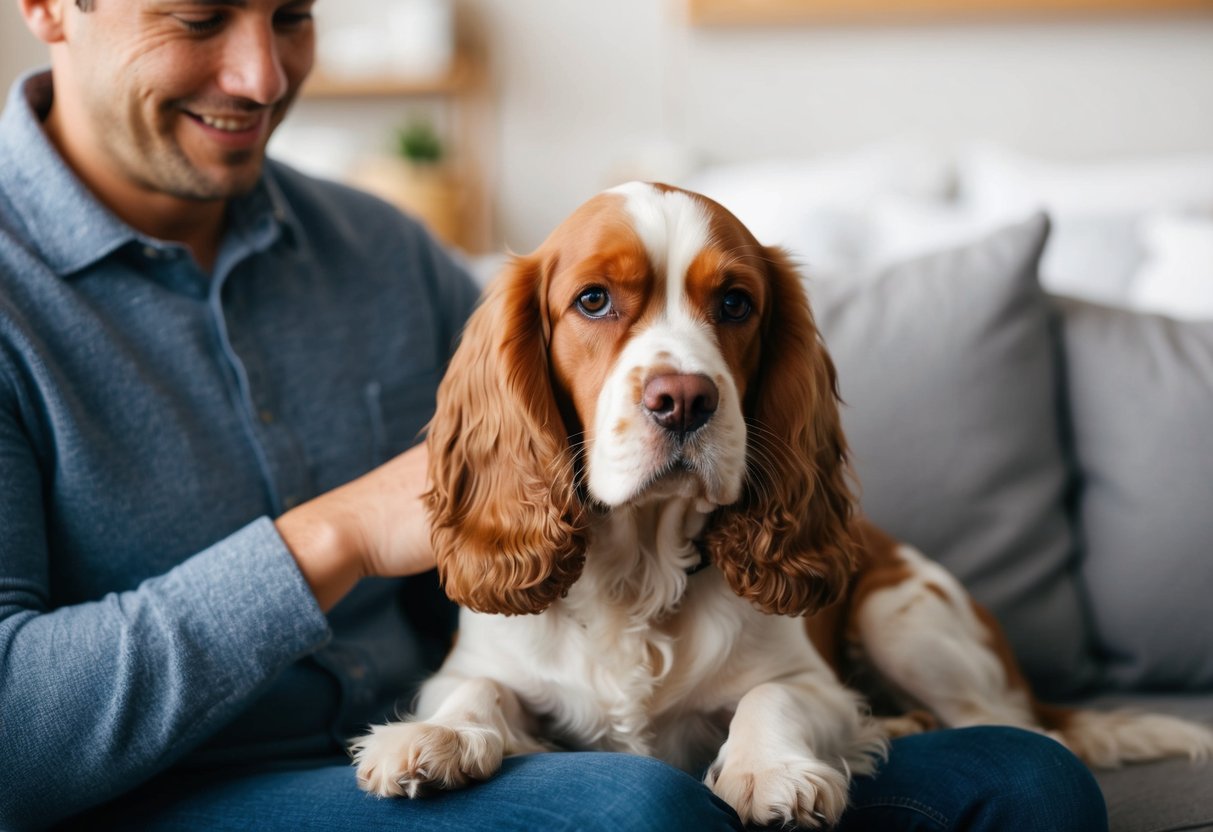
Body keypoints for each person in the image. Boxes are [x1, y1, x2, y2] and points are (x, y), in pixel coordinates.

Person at [0, 1, 1109, 830]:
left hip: (472, 738)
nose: (258, 72)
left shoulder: (382, 251)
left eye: (291, 16)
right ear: (47, 6)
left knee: (1028, 784)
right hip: (185, 785)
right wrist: (332, 537)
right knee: (636, 810)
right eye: (197, 16)